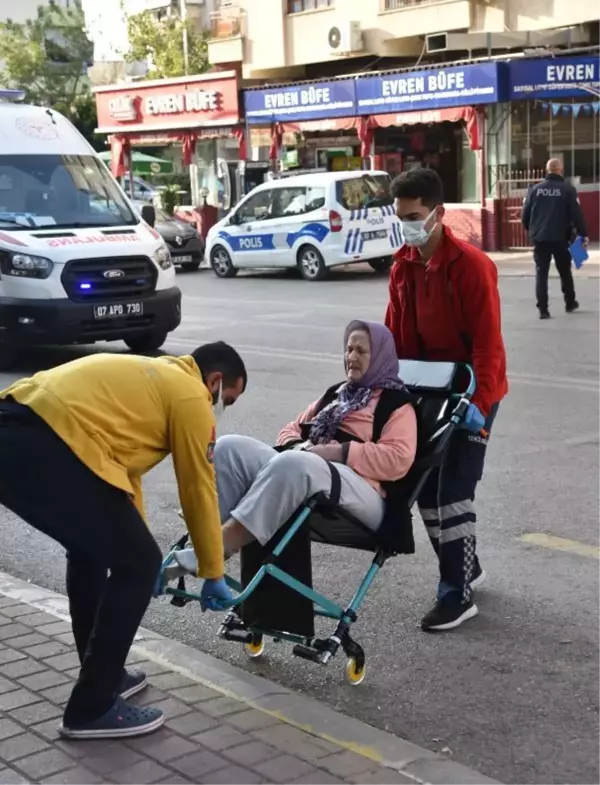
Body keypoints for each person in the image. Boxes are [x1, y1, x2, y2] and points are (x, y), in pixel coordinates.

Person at [0, 342, 247, 740]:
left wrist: (133, 547)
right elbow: (199, 488)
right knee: (137, 563)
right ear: (215, 380)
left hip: (17, 428)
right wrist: (212, 569)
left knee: (93, 553)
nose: (222, 407)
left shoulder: (154, 376)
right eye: (228, 399)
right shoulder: (190, 396)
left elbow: (119, 478)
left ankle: (102, 674)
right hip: (46, 444)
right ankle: (92, 706)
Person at [168, 321, 417, 574]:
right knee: (228, 448)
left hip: (367, 493)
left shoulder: (397, 405)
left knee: (296, 463)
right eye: (349, 349)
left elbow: (398, 460)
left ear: (380, 357)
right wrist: (300, 446)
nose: (351, 357)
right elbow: (291, 429)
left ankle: (217, 547)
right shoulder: (336, 394)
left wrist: (338, 452)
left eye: (361, 351)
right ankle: (201, 537)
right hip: (310, 470)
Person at [386, 168, 508, 632]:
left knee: (454, 490)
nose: (408, 226)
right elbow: (395, 338)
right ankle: (465, 566)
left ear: (438, 214)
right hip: (427, 391)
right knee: (424, 493)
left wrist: (476, 407)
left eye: (414, 216)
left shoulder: (472, 266)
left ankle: (456, 593)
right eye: (401, 217)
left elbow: (488, 346)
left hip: (474, 390)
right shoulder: (403, 265)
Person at [521, 158, 589, 319]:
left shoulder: (535, 189)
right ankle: (570, 302)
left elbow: (525, 215)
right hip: (560, 237)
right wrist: (583, 234)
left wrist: (531, 231)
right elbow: (576, 214)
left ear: (547, 170)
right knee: (565, 271)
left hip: (540, 238)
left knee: (541, 273)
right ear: (561, 170)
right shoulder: (567, 189)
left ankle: (543, 309)